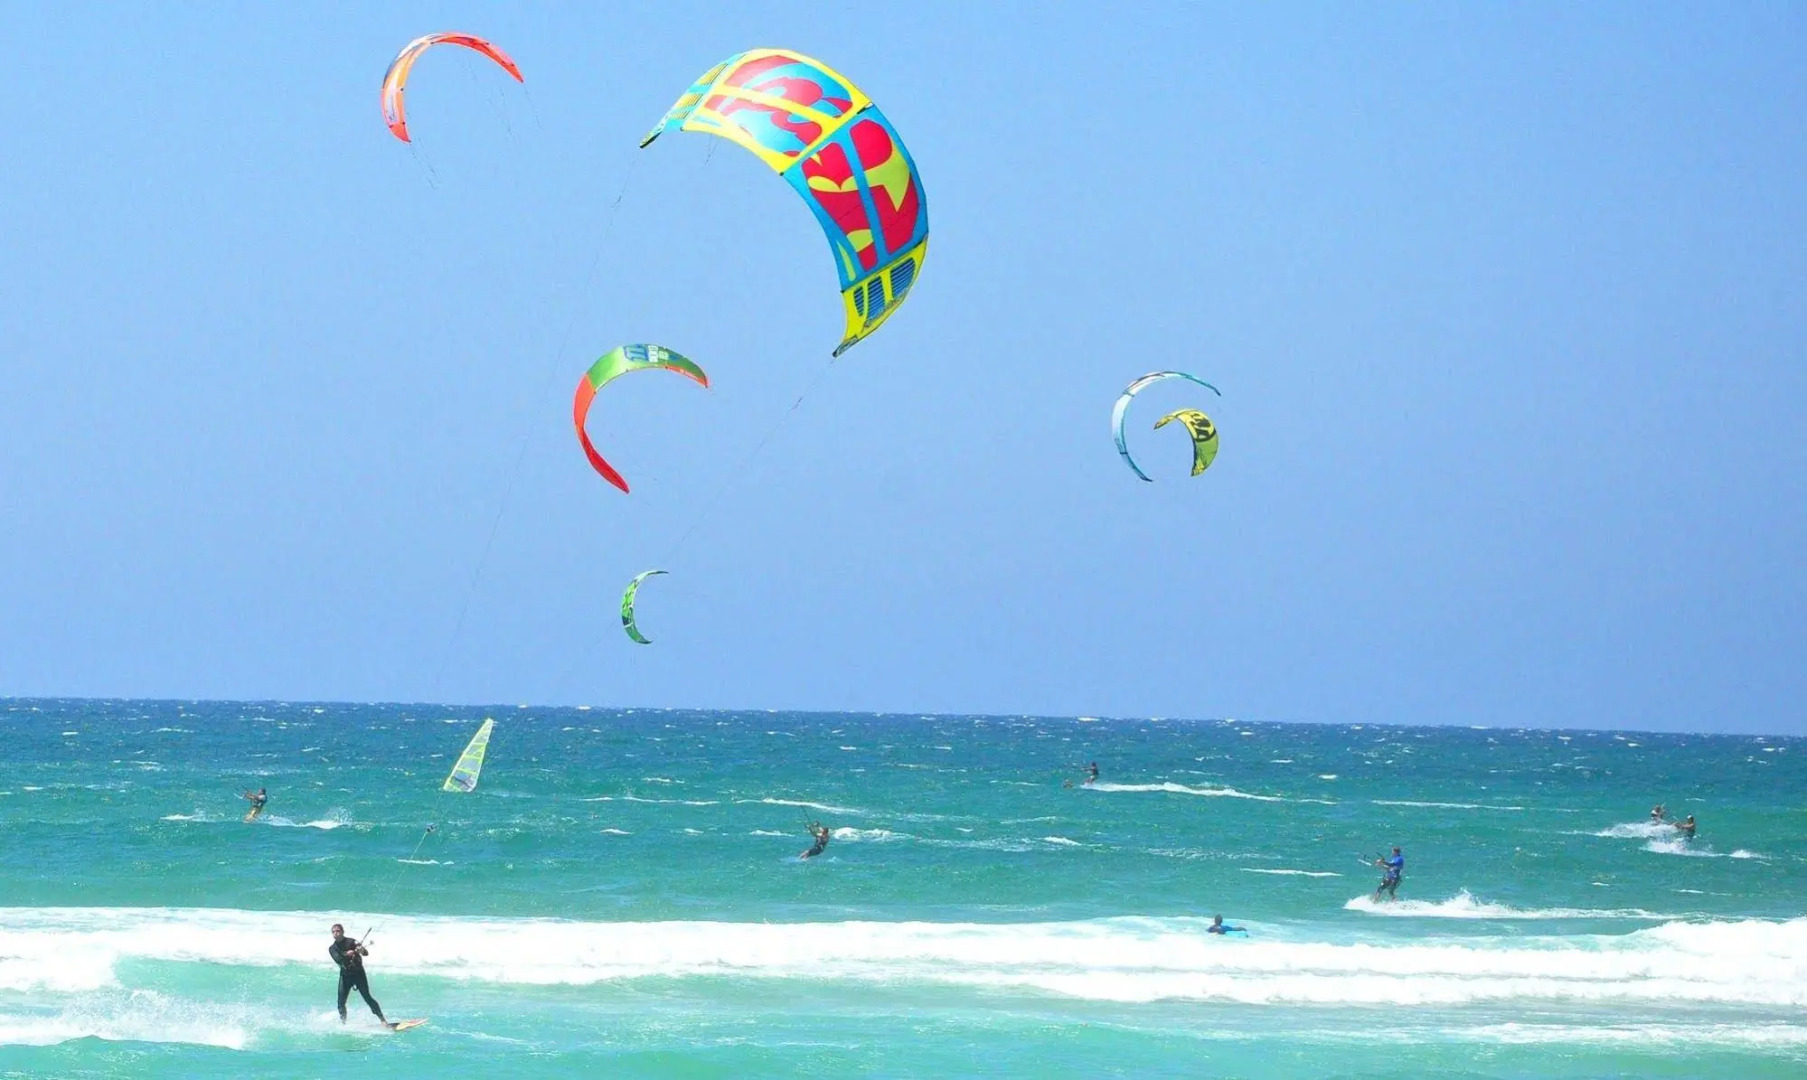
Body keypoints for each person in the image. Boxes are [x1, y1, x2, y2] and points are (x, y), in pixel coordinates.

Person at [329, 924, 392, 1028]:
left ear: (342, 931)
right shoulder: (332, 948)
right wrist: (347, 954)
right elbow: (338, 960)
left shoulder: (351, 941)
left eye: (338, 930)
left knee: (367, 997)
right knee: (341, 1002)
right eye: (334, 931)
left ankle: (383, 1020)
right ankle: (343, 1024)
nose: (336, 933)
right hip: (345, 976)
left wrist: (361, 949)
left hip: (358, 974)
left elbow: (366, 953)